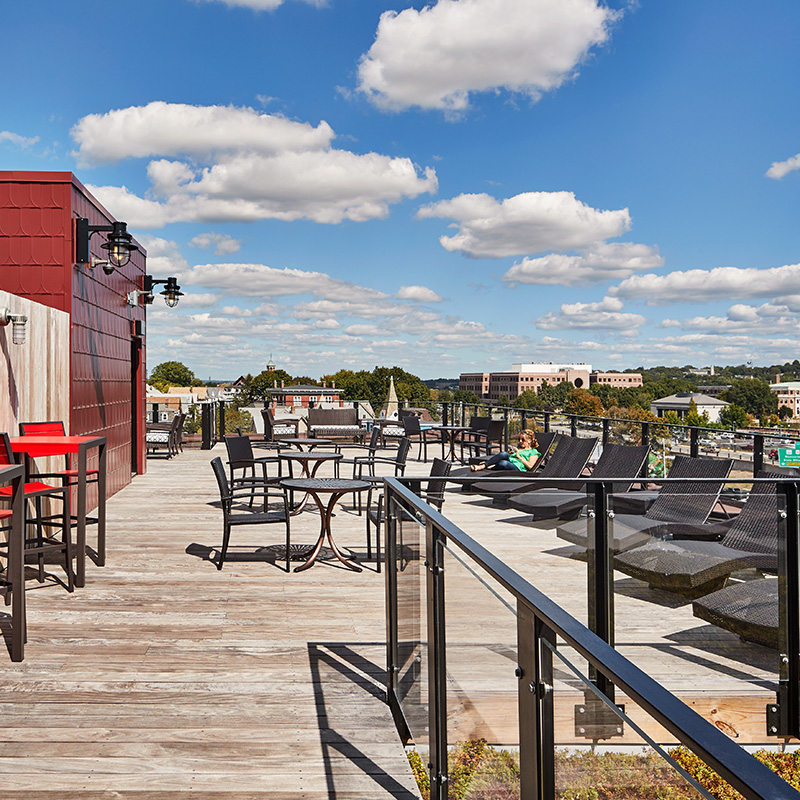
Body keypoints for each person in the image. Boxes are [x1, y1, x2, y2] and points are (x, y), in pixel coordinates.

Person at [470, 429, 541, 472]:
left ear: (529, 440)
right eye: (519, 439)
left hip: (518, 468)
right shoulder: (519, 448)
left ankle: (489, 467)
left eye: (523, 439)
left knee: (503, 463)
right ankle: (484, 466)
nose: (520, 441)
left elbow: (531, 466)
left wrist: (519, 457)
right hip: (510, 462)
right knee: (504, 454)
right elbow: (511, 457)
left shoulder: (533, 452)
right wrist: (510, 453)